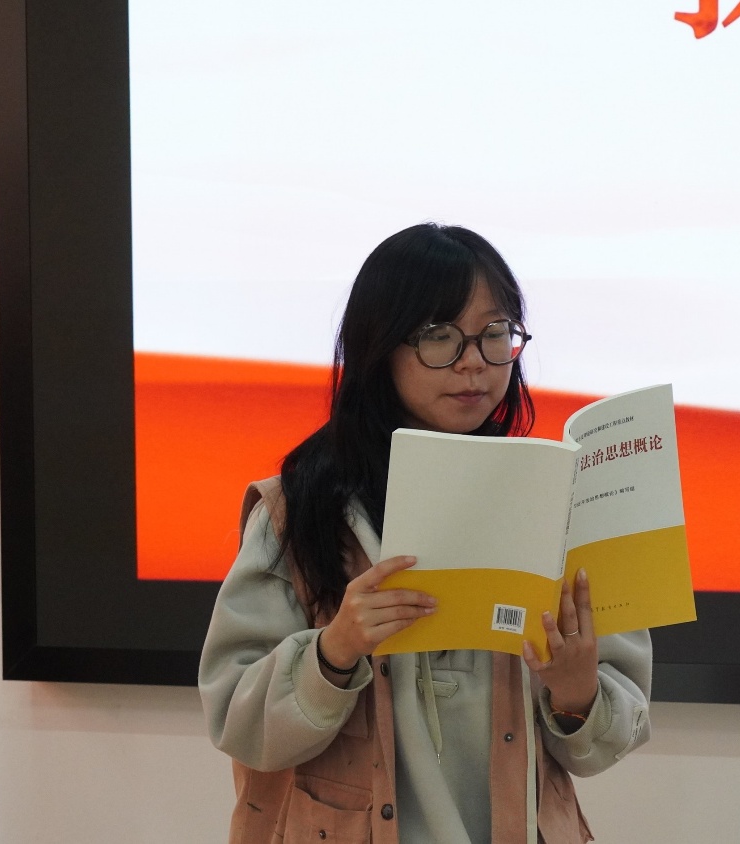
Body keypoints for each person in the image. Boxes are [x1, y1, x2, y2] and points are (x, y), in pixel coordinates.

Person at [199, 223, 652, 844]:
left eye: (495, 333)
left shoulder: (557, 501)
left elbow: (609, 736)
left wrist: (578, 695)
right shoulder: (296, 511)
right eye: (439, 335)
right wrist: (332, 653)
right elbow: (235, 720)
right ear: (379, 347)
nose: (474, 362)